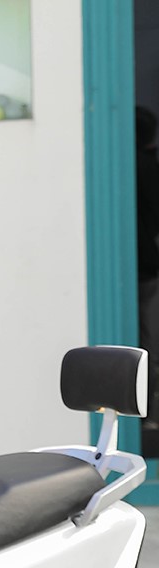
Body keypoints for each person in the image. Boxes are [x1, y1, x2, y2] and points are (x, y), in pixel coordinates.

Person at [136, 106, 159, 428]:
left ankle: (139, 417)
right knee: (150, 342)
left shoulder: (124, 163)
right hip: (148, 267)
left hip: (135, 265)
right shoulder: (149, 166)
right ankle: (150, 418)